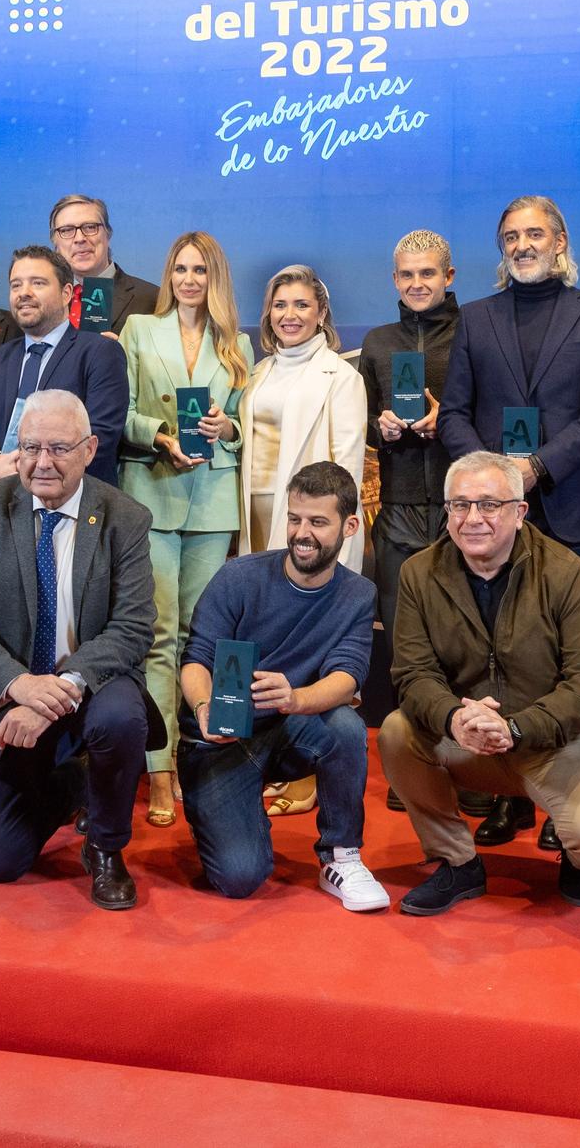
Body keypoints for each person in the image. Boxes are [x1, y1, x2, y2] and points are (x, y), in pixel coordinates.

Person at [437, 196, 580, 849]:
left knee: (561, 657)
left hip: (567, 504)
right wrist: (491, 478)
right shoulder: (476, 318)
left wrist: (536, 468)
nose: (522, 244)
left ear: (561, 239)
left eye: (534, 232)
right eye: (510, 234)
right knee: (492, 653)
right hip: (488, 518)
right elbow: (454, 411)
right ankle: (506, 796)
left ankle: (560, 800)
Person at [382, 451, 580, 914]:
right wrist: (453, 717)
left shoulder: (565, 573)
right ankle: (458, 863)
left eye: (488, 504)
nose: (472, 518)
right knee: (398, 731)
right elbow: (413, 674)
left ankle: (578, 859)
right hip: (470, 739)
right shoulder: (418, 573)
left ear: (519, 513)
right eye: (459, 505)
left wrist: (516, 728)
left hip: (559, 741)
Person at [0, 389, 159, 910]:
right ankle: (73, 786)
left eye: (58, 448)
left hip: (93, 686)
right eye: (30, 447)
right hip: (10, 694)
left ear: (89, 449)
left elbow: (133, 627)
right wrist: (19, 686)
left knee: (122, 719)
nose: (41, 463)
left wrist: (60, 688)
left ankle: (106, 847)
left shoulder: (125, 518)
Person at [179, 462, 384, 910]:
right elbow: (196, 660)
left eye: (317, 522)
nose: (301, 533)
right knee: (240, 878)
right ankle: (225, 814)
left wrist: (296, 699)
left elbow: (347, 676)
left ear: (350, 526)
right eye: (294, 519)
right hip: (219, 741)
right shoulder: (240, 577)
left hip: (287, 729)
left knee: (345, 726)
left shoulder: (358, 594)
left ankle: (341, 856)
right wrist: (202, 707)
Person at [118, 232, 251, 827]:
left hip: (214, 499)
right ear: (167, 274)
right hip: (151, 490)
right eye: (180, 268)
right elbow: (117, 411)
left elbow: (248, 426)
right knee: (158, 633)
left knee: (206, 636)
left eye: (200, 269)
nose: (189, 279)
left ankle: (205, 754)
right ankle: (158, 766)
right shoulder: (140, 331)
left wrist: (228, 429)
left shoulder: (238, 344)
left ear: (215, 277)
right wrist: (159, 436)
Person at [239, 265, 367, 819]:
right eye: (279, 305)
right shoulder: (258, 369)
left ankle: (310, 770)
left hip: (307, 527)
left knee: (309, 644)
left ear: (321, 314)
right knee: (267, 637)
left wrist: (338, 553)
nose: (289, 315)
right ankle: (265, 754)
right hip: (254, 515)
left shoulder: (341, 376)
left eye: (301, 305)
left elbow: (348, 473)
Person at [356, 230, 460, 723]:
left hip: (462, 506)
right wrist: (380, 427)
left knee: (465, 634)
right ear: (394, 279)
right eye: (407, 274)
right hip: (397, 510)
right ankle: (413, 755)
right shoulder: (377, 342)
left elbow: (490, 408)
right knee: (404, 638)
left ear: (448, 276)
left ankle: (472, 764)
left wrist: (451, 421)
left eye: (427, 273)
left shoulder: (474, 332)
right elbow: (365, 427)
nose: (417, 283)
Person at [0, 246, 129, 487]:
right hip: (1, 502)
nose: (24, 293)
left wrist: (28, 471)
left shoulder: (100, 352)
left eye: (38, 283)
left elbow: (99, 435)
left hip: (72, 501)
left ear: (66, 294)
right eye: (16, 285)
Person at [49, 194, 158, 331]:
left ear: (108, 233)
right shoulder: (47, 302)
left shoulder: (152, 299)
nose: (80, 238)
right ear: (55, 243)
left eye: (90, 227)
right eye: (67, 230)